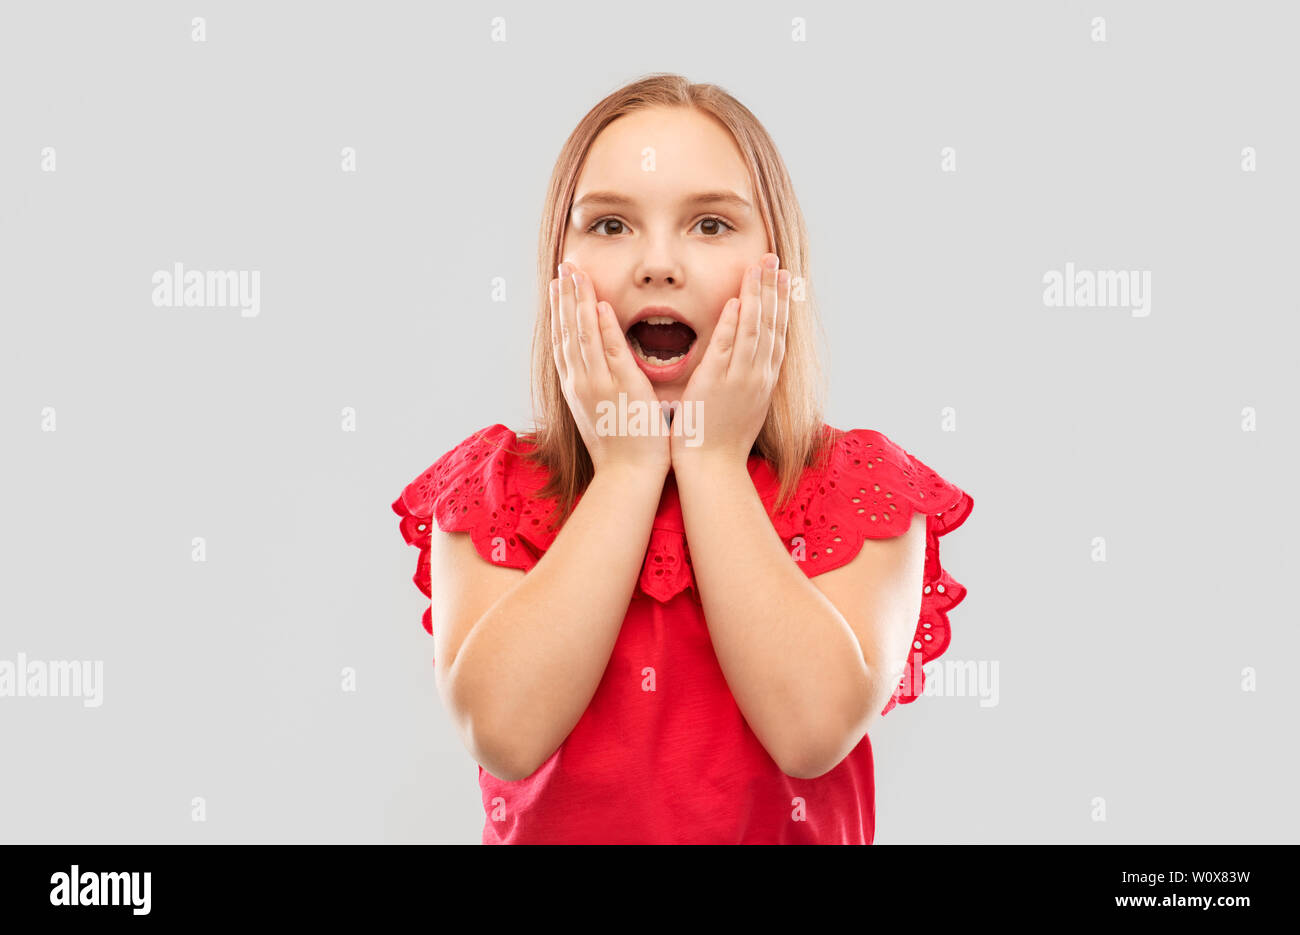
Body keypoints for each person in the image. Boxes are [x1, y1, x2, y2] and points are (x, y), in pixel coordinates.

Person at [392, 74, 974, 844]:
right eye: (609, 226)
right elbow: (503, 728)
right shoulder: (496, 486)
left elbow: (810, 730)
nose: (658, 264)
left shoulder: (858, 486)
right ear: (555, 267)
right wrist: (630, 470)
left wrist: (710, 460)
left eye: (709, 224)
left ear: (778, 268)